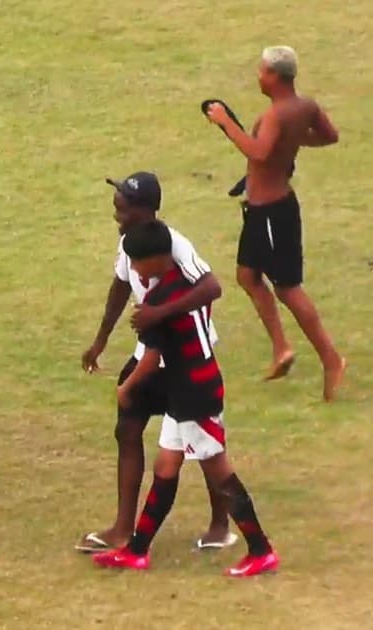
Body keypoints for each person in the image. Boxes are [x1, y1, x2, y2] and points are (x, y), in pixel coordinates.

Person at [92, 220, 279, 578]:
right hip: (193, 386)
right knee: (165, 467)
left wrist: (127, 387)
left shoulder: (157, 304)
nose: (132, 269)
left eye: (136, 262)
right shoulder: (187, 285)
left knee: (221, 473)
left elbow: (150, 360)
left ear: (157, 259)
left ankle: (261, 549)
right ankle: (137, 550)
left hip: (194, 395)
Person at [76, 172, 234, 553]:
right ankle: (122, 529)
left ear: (145, 211)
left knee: (206, 448)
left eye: (123, 207)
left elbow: (212, 287)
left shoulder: (174, 245)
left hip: (186, 361)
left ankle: (221, 525)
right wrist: (100, 342)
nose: (116, 213)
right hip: (150, 353)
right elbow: (119, 286)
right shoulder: (129, 243)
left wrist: (158, 312)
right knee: (127, 429)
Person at [205, 45, 345, 400]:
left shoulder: (275, 116)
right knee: (247, 275)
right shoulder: (305, 107)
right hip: (267, 208)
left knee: (287, 288)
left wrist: (225, 123)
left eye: (262, 70)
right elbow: (330, 136)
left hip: (271, 212)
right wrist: (294, 142)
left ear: (275, 77)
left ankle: (331, 358)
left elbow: (259, 152)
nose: (258, 75)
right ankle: (281, 348)